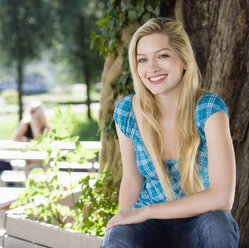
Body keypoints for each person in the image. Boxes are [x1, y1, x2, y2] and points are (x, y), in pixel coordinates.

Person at [101, 18, 239, 248]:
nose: (152, 68)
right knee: (119, 237)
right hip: (150, 227)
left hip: (200, 221)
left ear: (184, 61)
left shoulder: (208, 110)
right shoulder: (127, 112)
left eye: (163, 56)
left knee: (218, 225)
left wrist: (145, 211)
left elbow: (222, 197)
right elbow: (131, 184)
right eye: (142, 59)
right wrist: (122, 222)